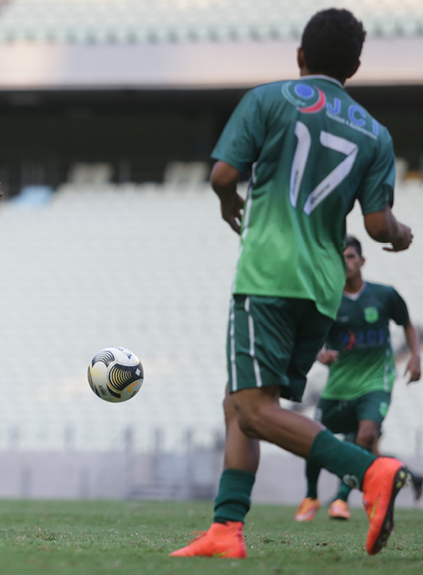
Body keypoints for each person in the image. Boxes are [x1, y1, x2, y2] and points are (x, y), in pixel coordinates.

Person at [171, 9, 414, 559]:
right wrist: (400, 235)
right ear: (354, 66)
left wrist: (228, 202)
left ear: (300, 56)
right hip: (323, 286)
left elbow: (223, 175)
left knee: (254, 408)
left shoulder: (268, 99)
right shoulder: (375, 133)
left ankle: (371, 472)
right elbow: (377, 227)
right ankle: (225, 530)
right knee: (243, 404)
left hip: (268, 273)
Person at [295, 236, 423, 522]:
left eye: (351, 257)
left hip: (375, 382)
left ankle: (341, 499)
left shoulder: (384, 295)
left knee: (365, 435)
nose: (347, 263)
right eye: (341, 258)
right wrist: (320, 354)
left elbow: (407, 324)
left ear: (362, 261)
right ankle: (310, 496)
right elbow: (309, 336)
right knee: (312, 438)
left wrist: (415, 357)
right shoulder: (327, 301)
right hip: (338, 386)